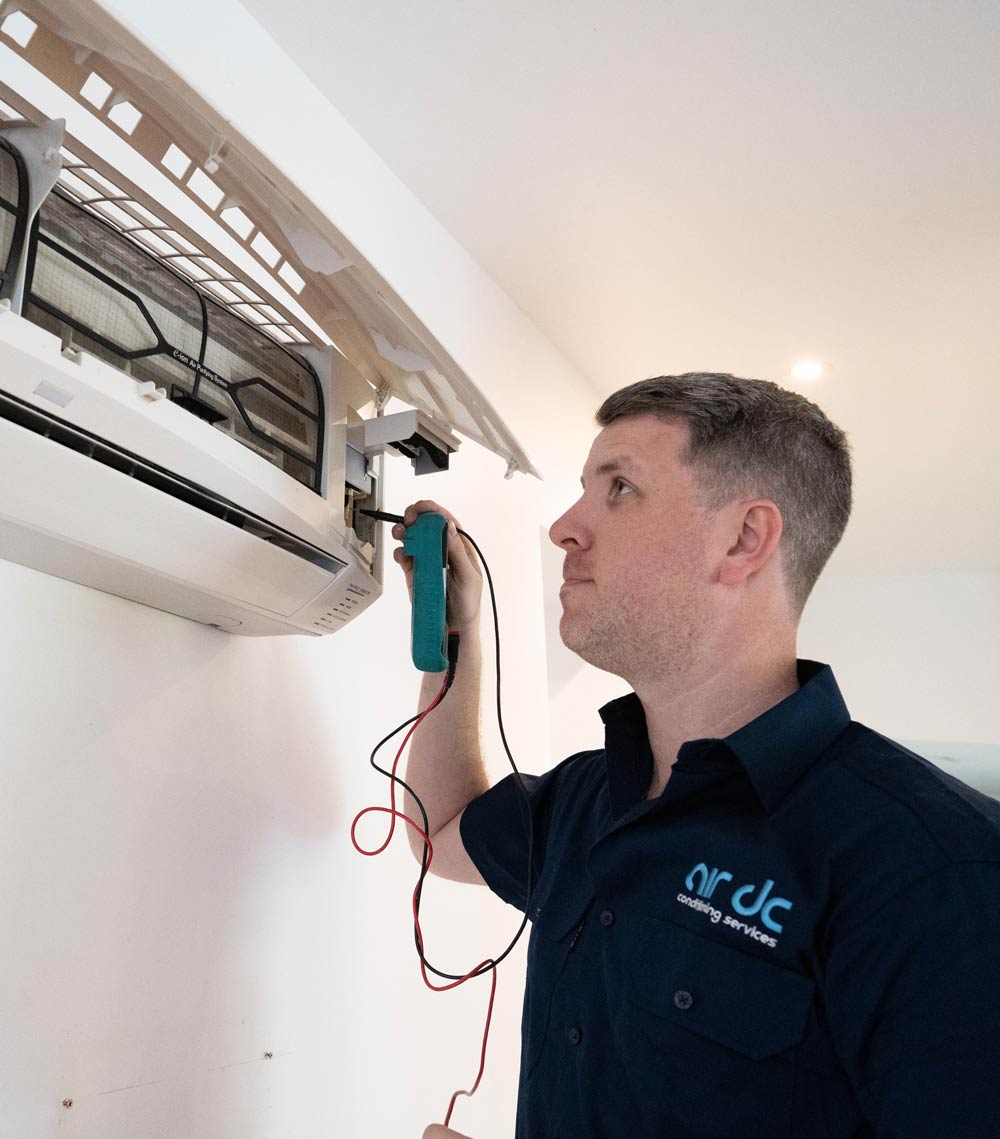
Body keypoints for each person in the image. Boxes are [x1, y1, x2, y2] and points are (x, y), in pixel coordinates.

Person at [396, 373, 1000, 1139]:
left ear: (744, 539)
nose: (563, 528)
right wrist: (452, 639)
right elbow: (439, 828)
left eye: (618, 489)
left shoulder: (940, 870)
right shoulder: (588, 797)